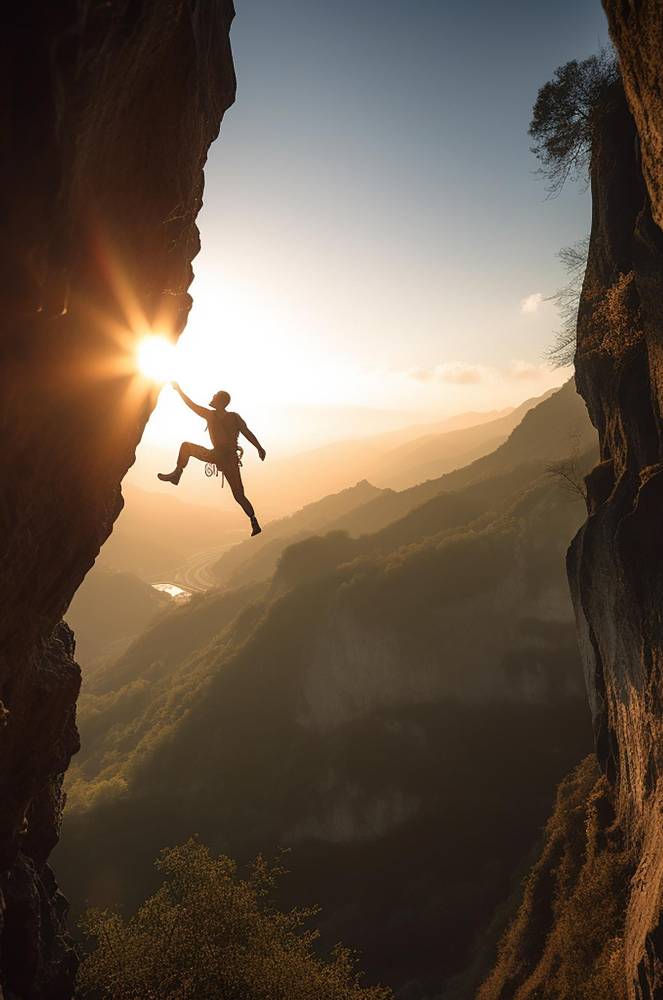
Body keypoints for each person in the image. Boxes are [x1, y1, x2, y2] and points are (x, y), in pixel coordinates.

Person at [158, 382, 265, 536]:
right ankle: (254, 522)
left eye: (215, 397)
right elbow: (247, 433)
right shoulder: (234, 418)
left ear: (220, 401)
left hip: (216, 456)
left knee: (186, 447)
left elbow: (191, 405)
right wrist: (259, 448)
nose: (212, 398)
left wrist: (179, 390)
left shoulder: (210, 415)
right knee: (239, 495)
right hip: (229, 460)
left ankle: (177, 473)